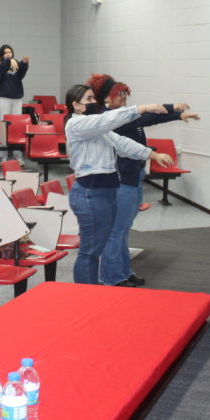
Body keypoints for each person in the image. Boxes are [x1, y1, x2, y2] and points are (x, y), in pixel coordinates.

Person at [87, 74, 198, 287]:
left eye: (125, 94)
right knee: (116, 231)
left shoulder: (122, 115)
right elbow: (146, 117)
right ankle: (111, 278)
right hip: (121, 180)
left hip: (133, 177)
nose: (124, 98)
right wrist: (172, 109)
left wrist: (176, 115)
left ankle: (123, 271)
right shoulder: (109, 117)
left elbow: (145, 119)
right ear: (107, 99)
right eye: (119, 95)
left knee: (123, 230)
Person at [62, 84, 173, 285]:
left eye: (93, 98)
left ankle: (94, 289)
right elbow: (107, 119)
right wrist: (141, 108)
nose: (93, 102)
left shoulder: (96, 127)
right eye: (88, 99)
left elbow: (122, 144)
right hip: (90, 194)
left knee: (100, 245)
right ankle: (85, 296)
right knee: (90, 251)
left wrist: (153, 154)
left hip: (106, 191)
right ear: (76, 105)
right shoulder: (76, 124)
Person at [0, 45, 28, 164]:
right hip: (4, 99)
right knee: (3, 126)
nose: (8, 54)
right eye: (6, 53)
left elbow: (21, 76)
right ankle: (3, 156)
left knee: (16, 127)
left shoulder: (15, 63)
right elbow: (0, 75)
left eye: (10, 52)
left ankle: (17, 156)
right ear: (1, 55)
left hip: (17, 99)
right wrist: (8, 61)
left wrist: (24, 64)